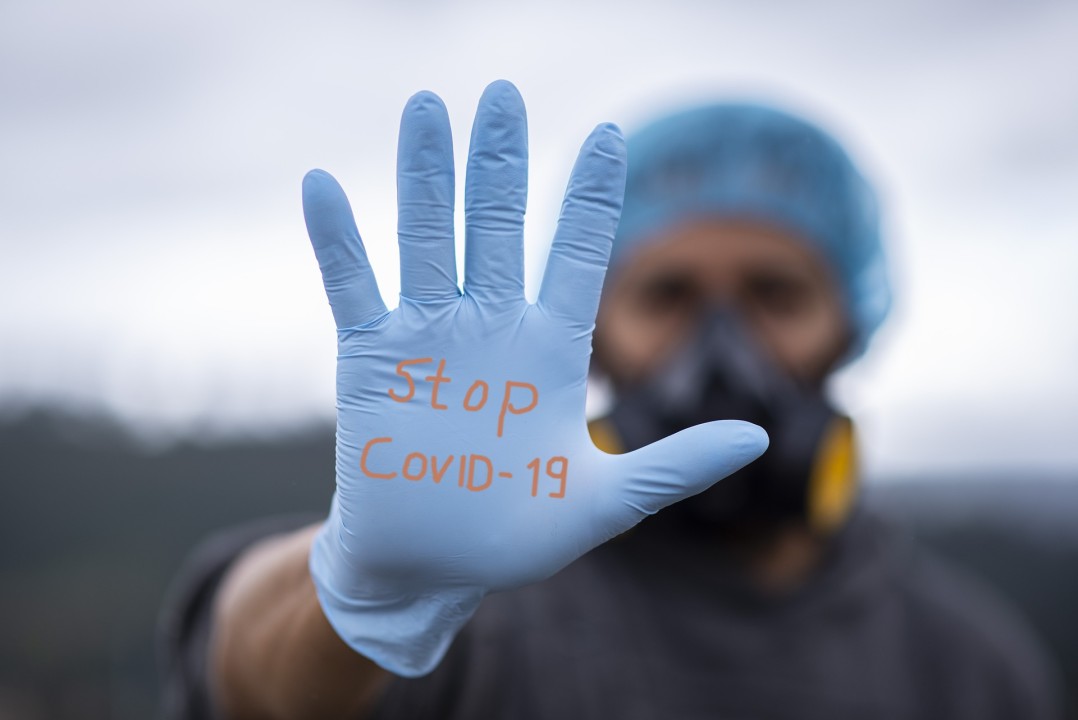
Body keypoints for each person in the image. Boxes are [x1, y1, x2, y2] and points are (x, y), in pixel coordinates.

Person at [159, 80, 1061, 719]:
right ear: (592, 327)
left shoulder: (974, 668)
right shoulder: (491, 600)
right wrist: (358, 599)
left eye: (775, 295)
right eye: (667, 296)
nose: (720, 350)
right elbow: (248, 688)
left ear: (850, 325)